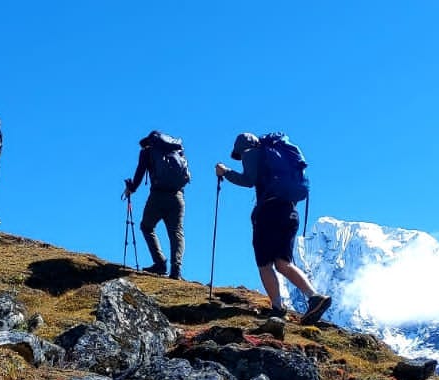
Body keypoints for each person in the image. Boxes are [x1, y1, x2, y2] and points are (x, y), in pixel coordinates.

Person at [216, 132, 332, 325]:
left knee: (264, 264)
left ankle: (278, 308)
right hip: (289, 212)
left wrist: (225, 172)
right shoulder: (277, 156)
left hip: (269, 213)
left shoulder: (251, 153)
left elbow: (248, 180)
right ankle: (314, 297)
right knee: (283, 263)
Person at [123, 130, 189, 279]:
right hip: (177, 196)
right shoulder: (176, 150)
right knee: (176, 233)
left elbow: (140, 173)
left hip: (157, 196)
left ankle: (160, 263)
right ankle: (176, 270)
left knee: (146, 227)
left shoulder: (147, 152)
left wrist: (131, 188)